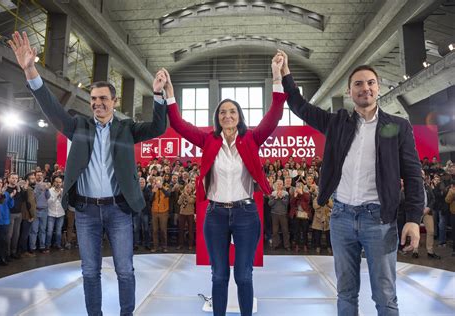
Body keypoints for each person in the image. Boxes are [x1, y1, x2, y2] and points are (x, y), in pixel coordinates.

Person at [8, 31, 168, 315]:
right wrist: (31, 70)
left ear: (114, 101)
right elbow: (53, 109)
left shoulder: (127, 129)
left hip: (118, 210)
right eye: (94, 98)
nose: (98, 103)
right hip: (86, 211)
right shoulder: (79, 126)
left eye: (103, 98)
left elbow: (158, 128)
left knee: (125, 271)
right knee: (90, 272)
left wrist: (158, 94)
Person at [279, 49, 423, 316]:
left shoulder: (397, 127)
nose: (364, 88)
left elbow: (413, 176)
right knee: (346, 293)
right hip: (342, 218)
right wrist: (285, 72)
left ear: (378, 88)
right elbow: (299, 106)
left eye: (370, 83)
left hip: (379, 221)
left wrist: (414, 219)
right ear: (349, 92)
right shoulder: (338, 124)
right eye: (358, 83)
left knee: (385, 295)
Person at [161, 52, 287, 316]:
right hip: (215, 215)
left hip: (246, 214)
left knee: (243, 276)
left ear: (239, 116)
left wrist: (277, 77)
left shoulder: (252, 139)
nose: (227, 116)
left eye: (232, 112)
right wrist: (170, 92)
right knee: (219, 276)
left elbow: (274, 115)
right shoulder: (209, 141)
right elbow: (179, 125)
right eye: (222, 112)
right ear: (217, 117)